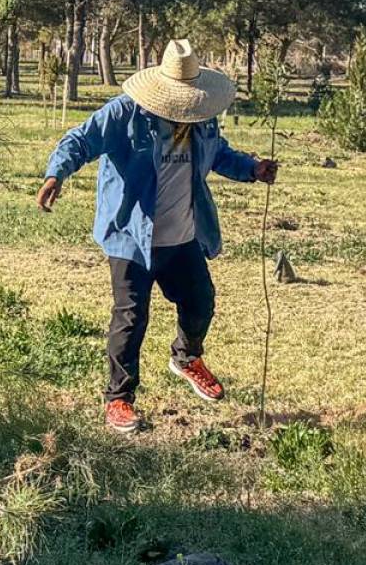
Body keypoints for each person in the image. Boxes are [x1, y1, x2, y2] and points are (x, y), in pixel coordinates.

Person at [37, 39, 278, 434]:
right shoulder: (126, 113)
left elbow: (219, 154)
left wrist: (252, 168)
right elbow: (78, 140)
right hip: (132, 236)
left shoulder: (202, 119)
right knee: (131, 317)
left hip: (182, 236)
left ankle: (186, 357)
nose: (184, 108)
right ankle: (119, 398)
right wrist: (55, 175)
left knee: (200, 301)